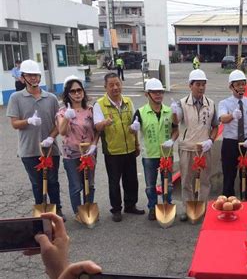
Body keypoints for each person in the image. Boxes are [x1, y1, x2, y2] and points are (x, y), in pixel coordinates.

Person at [7, 60, 64, 219]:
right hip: (29, 150)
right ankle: (42, 213)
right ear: (23, 77)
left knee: (53, 182)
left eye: (36, 75)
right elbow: (14, 123)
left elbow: (58, 124)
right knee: (37, 184)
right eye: (30, 75)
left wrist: (51, 138)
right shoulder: (16, 97)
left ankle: (57, 210)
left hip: (50, 150)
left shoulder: (51, 98)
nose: (34, 78)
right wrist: (28, 121)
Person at [93, 72, 144, 222]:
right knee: (114, 182)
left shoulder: (128, 101)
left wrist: (136, 143)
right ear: (105, 87)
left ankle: (130, 205)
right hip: (113, 151)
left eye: (117, 84)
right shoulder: (100, 104)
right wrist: (104, 123)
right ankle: (116, 209)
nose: (115, 87)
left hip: (129, 148)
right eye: (111, 85)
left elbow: (133, 124)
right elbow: (97, 126)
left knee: (132, 180)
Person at [172, 69, 219, 221]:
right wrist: (174, 113)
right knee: (186, 180)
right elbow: (175, 122)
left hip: (204, 148)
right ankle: (188, 209)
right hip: (187, 147)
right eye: (198, 84)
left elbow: (215, 126)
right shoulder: (182, 103)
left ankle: (202, 207)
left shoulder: (210, 104)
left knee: (204, 180)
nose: (201, 88)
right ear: (190, 86)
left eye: (203, 85)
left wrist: (210, 141)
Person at [130, 78, 179, 220]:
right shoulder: (140, 112)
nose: (158, 95)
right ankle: (152, 207)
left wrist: (172, 140)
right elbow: (132, 130)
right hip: (149, 154)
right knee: (150, 185)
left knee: (168, 184)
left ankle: (167, 205)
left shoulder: (169, 111)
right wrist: (133, 129)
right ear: (147, 94)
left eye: (160, 92)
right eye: (155, 92)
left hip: (166, 153)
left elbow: (176, 130)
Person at [56, 76, 98, 222]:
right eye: (73, 91)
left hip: (89, 152)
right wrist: (67, 117)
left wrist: (94, 145)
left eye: (79, 90)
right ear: (68, 94)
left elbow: (97, 130)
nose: (77, 94)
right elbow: (62, 131)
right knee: (76, 186)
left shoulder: (90, 110)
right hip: (71, 154)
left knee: (90, 183)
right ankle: (78, 212)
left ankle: (88, 209)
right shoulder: (62, 112)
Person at [218, 70, 247, 200]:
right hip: (230, 143)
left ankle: (246, 201)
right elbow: (222, 118)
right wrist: (232, 116)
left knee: (246, 175)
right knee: (229, 175)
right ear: (231, 87)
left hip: (246, 143)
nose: (241, 87)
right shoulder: (224, 103)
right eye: (238, 84)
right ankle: (228, 202)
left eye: (243, 84)